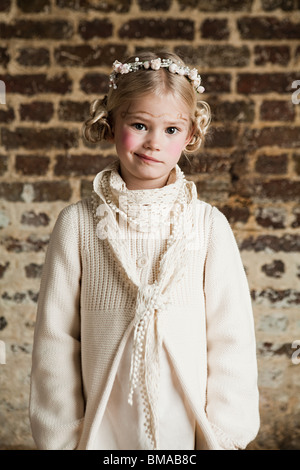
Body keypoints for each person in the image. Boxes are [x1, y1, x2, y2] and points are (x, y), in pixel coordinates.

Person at [29, 51, 260, 450]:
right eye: (139, 125)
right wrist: (62, 437)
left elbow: (231, 337)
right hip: (102, 427)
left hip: (184, 427)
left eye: (172, 129)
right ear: (111, 124)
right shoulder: (78, 224)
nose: (155, 142)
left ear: (190, 136)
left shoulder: (207, 226)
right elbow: (56, 339)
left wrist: (224, 434)